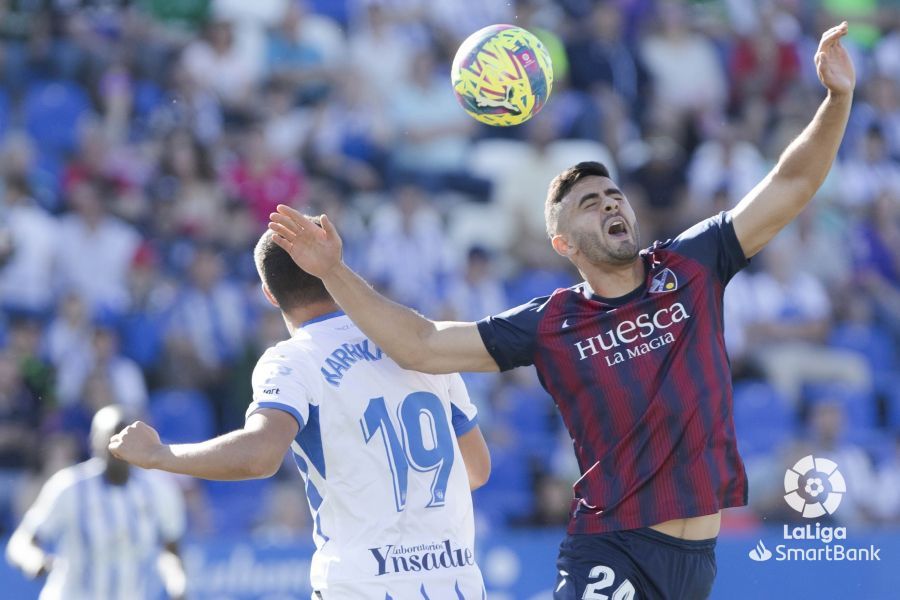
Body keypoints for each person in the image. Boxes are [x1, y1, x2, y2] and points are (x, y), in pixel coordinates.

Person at [265, 22, 856, 600]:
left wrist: (837, 99)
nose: (610, 204)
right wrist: (333, 272)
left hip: (695, 563)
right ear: (563, 243)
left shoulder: (691, 265)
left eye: (613, 195)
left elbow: (792, 183)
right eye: (589, 204)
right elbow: (420, 345)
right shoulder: (551, 322)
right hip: (611, 549)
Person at [109, 224, 491, 599]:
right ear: (337, 265)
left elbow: (259, 456)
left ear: (269, 295)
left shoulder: (293, 359)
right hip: (457, 584)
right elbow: (476, 469)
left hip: (362, 588)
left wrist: (159, 455)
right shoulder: (420, 337)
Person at [6, 405, 187, 600]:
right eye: (111, 439)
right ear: (94, 440)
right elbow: (22, 541)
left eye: (125, 439)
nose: (119, 448)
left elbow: (170, 547)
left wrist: (177, 580)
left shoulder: (158, 490)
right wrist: (34, 560)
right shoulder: (70, 486)